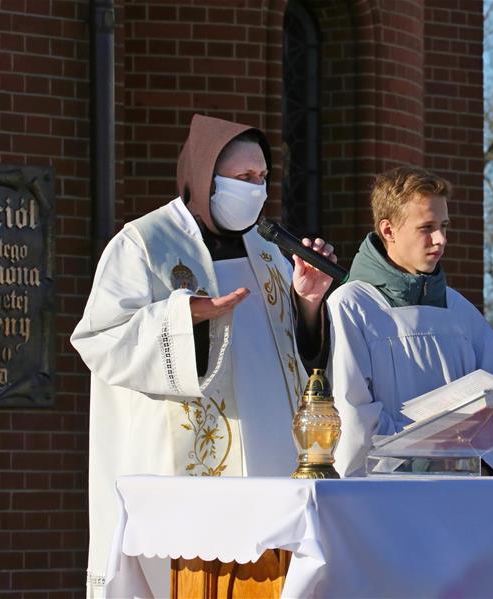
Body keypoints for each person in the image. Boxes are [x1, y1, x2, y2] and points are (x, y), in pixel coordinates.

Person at [71, 114, 336, 596]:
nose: (256, 190)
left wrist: (309, 304)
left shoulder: (269, 249)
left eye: (262, 179)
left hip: (273, 472)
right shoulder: (143, 243)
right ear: (204, 176)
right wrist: (183, 319)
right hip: (182, 476)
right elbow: (98, 339)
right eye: (243, 179)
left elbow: (296, 357)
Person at [327, 166, 493, 477]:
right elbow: (353, 416)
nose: (440, 239)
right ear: (388, 230)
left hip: (461, 489)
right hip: (387, 489)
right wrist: (424, 455)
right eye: (426, 227)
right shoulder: (352, 305)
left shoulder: (460, 311)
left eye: (444, 225)